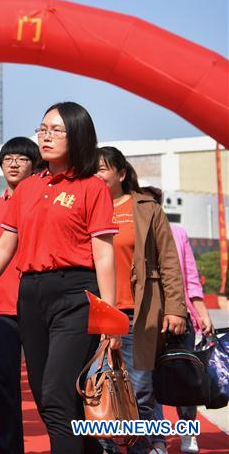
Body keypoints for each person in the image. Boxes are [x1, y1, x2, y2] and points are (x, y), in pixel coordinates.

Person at [0, 101, 120, 454]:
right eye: (43, 129)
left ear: (77, 135)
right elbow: (5, 245)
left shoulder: (91, 187)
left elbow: (104, 252)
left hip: (76, 294)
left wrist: (109, 316)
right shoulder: (29, 188)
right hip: (31, 295)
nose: (45, 136)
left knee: (55, 394)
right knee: (48, 394)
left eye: (55, 130)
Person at [95, 148, 187, 454]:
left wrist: (175, 309)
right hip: (95, 313)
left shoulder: (146, 208)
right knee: (99, 387)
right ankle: (105, 445)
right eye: (92, 169)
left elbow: (169, 262)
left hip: (138, 311)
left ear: (121, 174)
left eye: (103, 169)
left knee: (141, 389)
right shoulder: (85, 207)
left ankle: (143, 446)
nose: (97, 174)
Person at [0, 137, 41, 454]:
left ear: (35, 164)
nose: (13, 163)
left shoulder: (44, 202)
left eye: (21, 158)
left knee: (47, 389)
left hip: (37, 307)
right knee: (2, 389)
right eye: (8, 158)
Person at [141, 187, 214, 454]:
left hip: (180, 318)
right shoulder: (130, 234)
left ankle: (187, 432)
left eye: (153, 202)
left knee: (185, 378)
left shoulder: (178, 232)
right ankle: (157, 439)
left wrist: (202, 313)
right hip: (145, 321)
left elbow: (190, 278)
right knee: (147, 384)